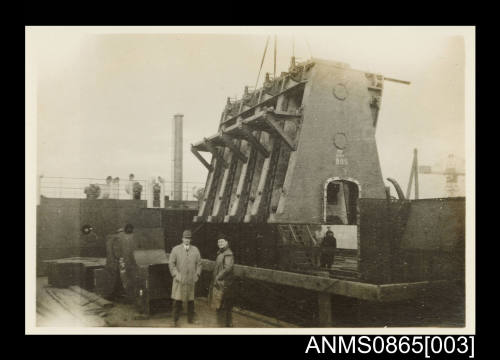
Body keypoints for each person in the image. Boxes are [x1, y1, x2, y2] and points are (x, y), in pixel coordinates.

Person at [168, 229, 202, 326]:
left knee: (191, 301)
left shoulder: (195, 250)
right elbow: (171, 263)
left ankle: (191, 319)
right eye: (185, 238)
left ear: (191, 240)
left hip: (191, 279)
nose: (187, 240)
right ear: (182, 239)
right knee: (177, 300)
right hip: (180, 279)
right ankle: (174, 320)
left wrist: (197, 274)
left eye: (189, 238)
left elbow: (199, 264)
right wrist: (175, 274)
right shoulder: (175, 249)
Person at [209, 236, 235, 327]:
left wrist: (218, 277)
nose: (220, 243)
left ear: (226, 242)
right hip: (221, 283)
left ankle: (224, 326)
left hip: (224, 284)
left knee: (222, 305)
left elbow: (228, 268)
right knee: (221, 304)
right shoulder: (221, 253)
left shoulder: (228, 254)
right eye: (219, 242)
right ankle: (225, 325)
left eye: (222, 242)